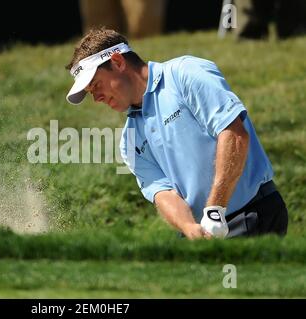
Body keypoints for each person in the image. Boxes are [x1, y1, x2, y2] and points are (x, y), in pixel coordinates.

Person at [65, 28, 288, 239]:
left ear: (117, 61)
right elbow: (163, 193)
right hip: (204, 232)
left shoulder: (185, 74)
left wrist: (214, 209)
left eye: (96, 86)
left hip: (251, 215)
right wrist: (189, 227)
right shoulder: (129, 140)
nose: (97, 98)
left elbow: (234, 134)